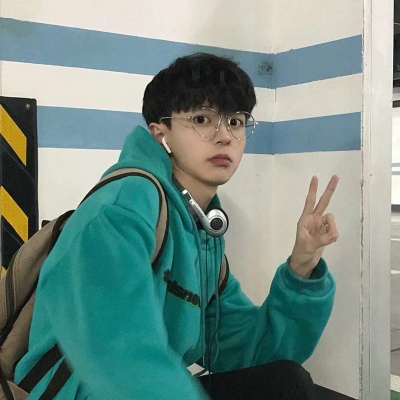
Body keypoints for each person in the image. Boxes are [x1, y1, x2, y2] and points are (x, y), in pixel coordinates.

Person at [15, 53, 338, 399]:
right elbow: (117, 354)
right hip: (82, 393)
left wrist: (302, 267)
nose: (224, 136)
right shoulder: (123, 207)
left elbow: (252, 351)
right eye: (202, 119)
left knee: (287, 382)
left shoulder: (200, 235)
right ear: (160, 134)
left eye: (236, 121)